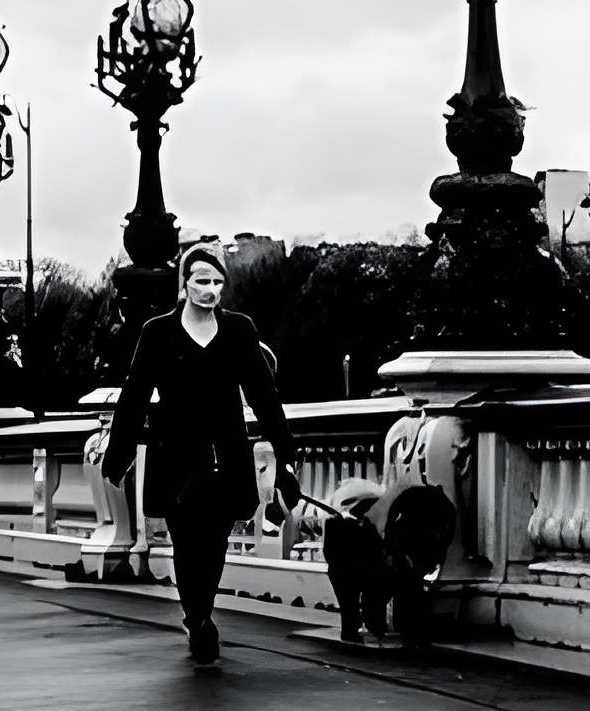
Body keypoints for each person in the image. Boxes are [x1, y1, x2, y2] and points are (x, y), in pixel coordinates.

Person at [99, 243, 298, 666]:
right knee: (186, 542)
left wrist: (286, 453)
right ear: (184, 284)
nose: (210, 290)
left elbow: (265, 397)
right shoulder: (158, 332)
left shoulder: (240, 330)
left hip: (226, 455)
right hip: (175, 456)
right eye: (202, 281)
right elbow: (134, 396)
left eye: (217, 281)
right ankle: (199, 618)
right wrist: (117, 454)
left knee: (216, 542)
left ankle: (199, 614)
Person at [316, 477, 459, 647]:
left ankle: (369, 627)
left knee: (363, 597)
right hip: (376, 552)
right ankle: (390, 629)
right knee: (388, 589)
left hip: (374, 551)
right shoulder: (419, 512)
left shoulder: (394, 515)